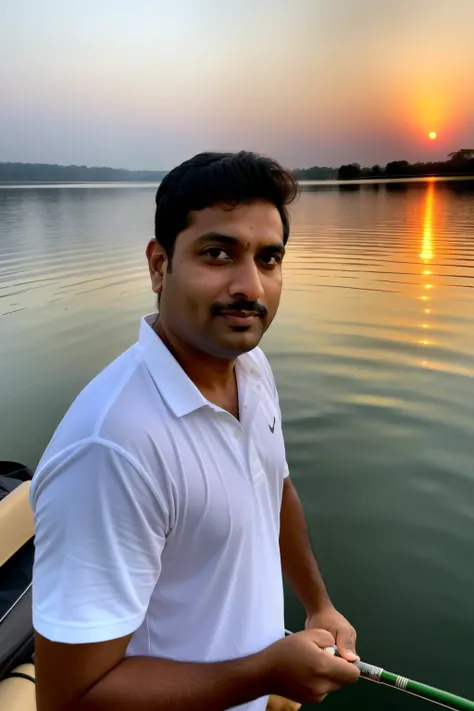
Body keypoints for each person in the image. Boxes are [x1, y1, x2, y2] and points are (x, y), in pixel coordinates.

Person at [30, 151, 360, 711]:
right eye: (218, 254)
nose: (249, 286)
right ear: (159, 265)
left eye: (270, 258)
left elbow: (272, 488)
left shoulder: (250, 367)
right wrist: (262, 674)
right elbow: (69, 698)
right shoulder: (113, 449)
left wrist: (319, 606)